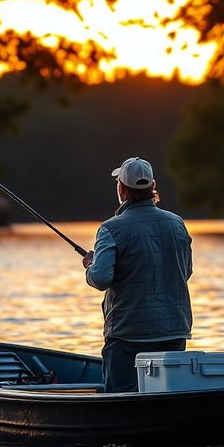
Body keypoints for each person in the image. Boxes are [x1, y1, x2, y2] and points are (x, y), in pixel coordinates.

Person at [82, 156, 193, 393]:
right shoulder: (177, 223)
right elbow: (186, 271)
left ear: (122, 189)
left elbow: (100, 279)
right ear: (152, 187)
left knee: (120, 399)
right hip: (173, 331)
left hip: (127, 336)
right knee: (168, 396)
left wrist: (91, 266)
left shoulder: (111, 228)